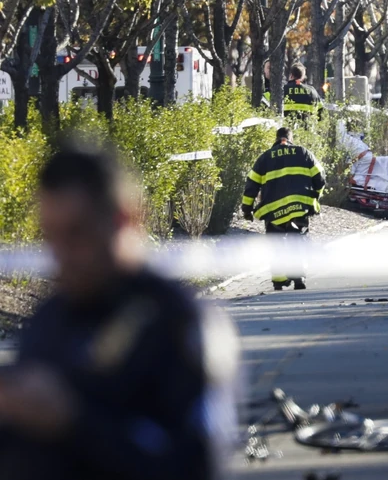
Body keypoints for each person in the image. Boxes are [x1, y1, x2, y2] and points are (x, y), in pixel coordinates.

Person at [0, 140, 240, 480]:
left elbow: (196, 465)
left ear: (125, 218)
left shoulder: (180, 322)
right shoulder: (50, 319)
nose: (61, 254)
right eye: (50, 236)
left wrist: (74, 421)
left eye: (76, 233)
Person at [241, 127, 326, 291]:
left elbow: (251, 185)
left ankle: (279, 281)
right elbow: (320, 177)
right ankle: (298, 277)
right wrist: (315, 196)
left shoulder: (265, 158)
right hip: (299, 207)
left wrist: (247, 209)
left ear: (276, 139)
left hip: (274, 211)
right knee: (297, 239)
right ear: (290, 139)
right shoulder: (303, 153)